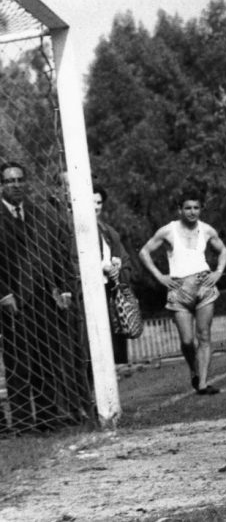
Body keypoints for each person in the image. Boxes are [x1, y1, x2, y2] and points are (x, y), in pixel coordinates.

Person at [0, 161, 86, 433]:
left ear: (27, 182)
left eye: (19, 180)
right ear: (1, 185)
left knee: (46, 360)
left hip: (44, 300)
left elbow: (59, 253)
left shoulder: (41, 214)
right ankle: (25, 423)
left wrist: (64, 288)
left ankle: (48, 418)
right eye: (9, 181)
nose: (15, 185)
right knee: (18, 363)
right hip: (12, 302)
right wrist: (3, 294)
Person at [138, 190, 226, 395]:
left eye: (196, 208)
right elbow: (144, 252)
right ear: (180, 209)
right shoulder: (168, 231)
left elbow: (222, 250)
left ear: (201, 209)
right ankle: (194, 371)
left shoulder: (206, 230)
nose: (192, 212)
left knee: (204, 336)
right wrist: (160, 277)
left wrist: (218, 272)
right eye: (188, 208)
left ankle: (203, 383)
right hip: (179, 290)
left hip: (204, 286)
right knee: (187, 340)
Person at [94, 185, 133, 365]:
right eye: (91, 202)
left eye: (99, 202)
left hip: (110, 293)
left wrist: (118, 269)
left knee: (116, 342)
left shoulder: (108, 231)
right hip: (89, 294)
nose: (95, 207)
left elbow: (125, 261)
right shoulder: (72, 229)